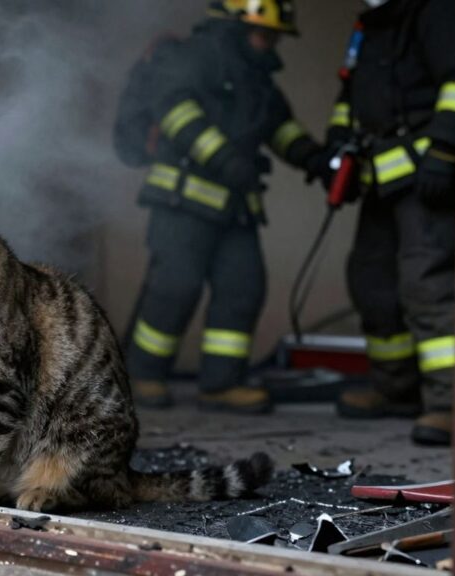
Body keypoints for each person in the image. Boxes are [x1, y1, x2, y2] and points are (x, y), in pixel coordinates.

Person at [123, 0, 327, 412]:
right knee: (175, 288)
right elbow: (175, 110)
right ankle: (142, 375)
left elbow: (279, 127)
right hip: (183, 201)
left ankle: (221, 384)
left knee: (243, 288)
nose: (270, 44)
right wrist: (224, 158)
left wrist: (312, 157)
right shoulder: (196, 56)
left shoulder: (259, 75)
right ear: (235, 26)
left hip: (236, 209)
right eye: (263, 34)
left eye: (275, 37)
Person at [323, 0, 455, 446]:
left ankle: (451, 403)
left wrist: (445, 150)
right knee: (371, 279)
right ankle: (396, 388)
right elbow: (351, 97)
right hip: (381, 175)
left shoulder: (434, 12)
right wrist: (337, 143)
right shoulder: (370, 25)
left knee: (427, 282)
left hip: (425, 175)